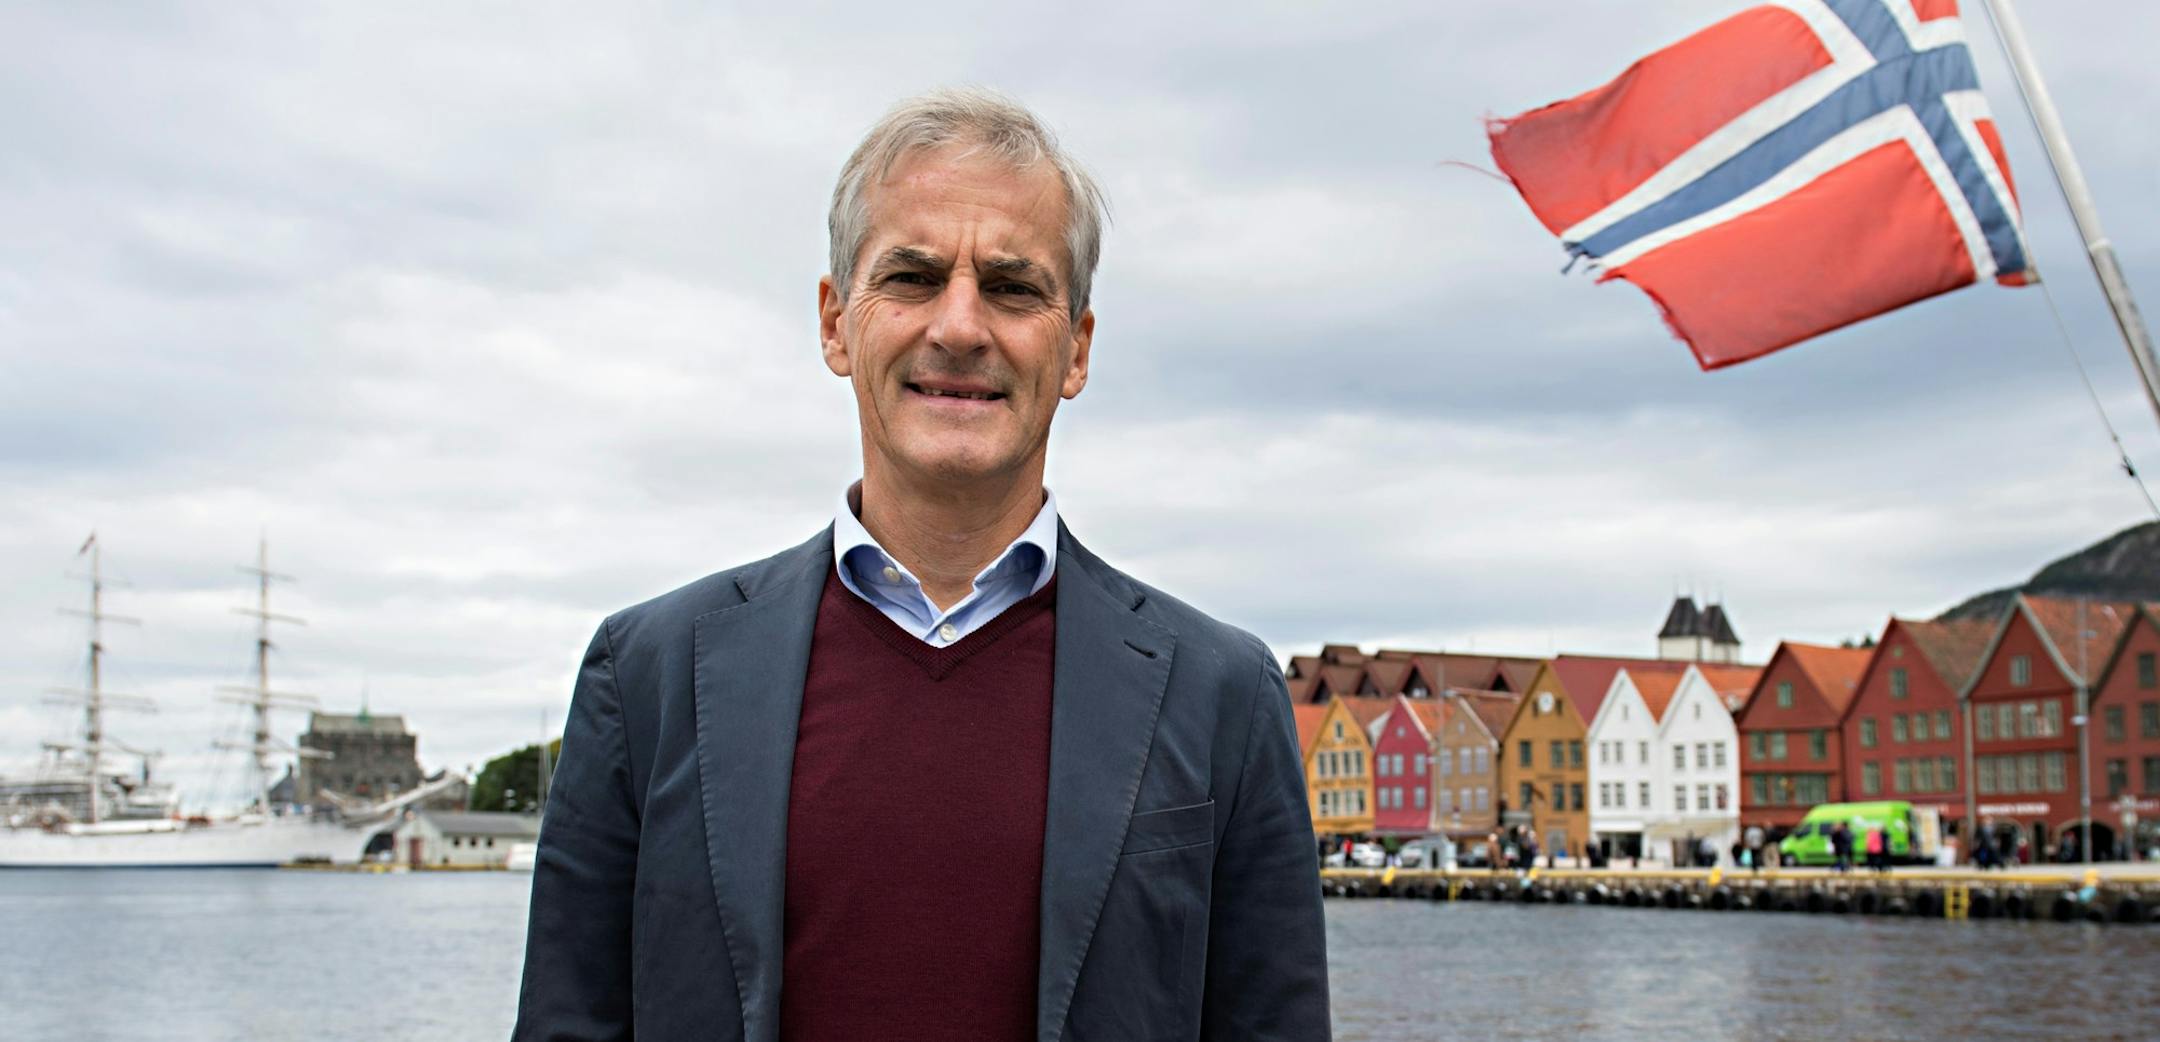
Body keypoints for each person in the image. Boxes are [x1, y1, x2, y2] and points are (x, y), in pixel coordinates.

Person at [513, 88, 1330, 1042]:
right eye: (912, 277)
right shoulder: (649, 673)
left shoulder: (1221, 692)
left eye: (1015, 288)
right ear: (834, 323)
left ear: (1076, 348)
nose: (960, 327)